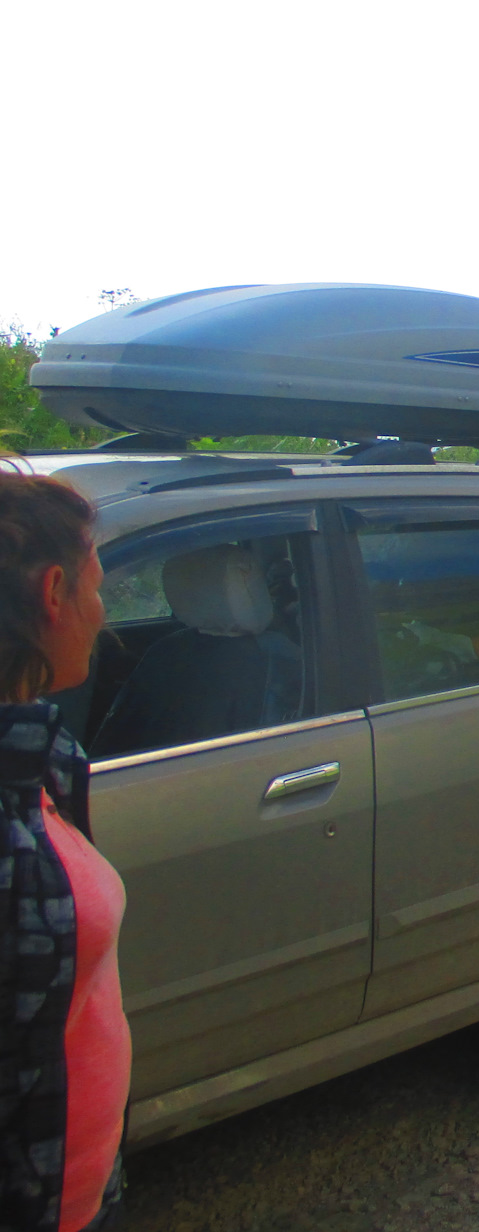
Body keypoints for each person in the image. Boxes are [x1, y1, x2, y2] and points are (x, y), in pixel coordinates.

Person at [0, 475, 128, 1232]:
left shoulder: (35, 756)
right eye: (98, 587)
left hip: (76, 1183)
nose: (105, 614)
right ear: (55, 593)